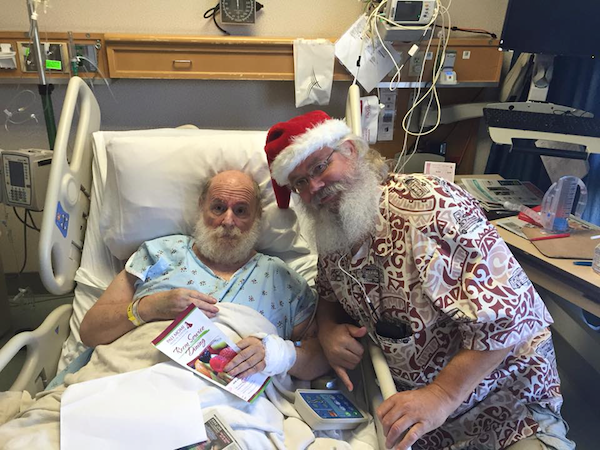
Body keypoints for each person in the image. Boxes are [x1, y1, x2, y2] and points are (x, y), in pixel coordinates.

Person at [264, 111, 575, 450]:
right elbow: (329, 293)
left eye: (320, 166)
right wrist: (327, 330)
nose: (314, 187)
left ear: (351, 150)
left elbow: (512, 317)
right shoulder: (335, 232)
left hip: (508, 407)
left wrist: (441, 395)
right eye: (299, 183)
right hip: (426, 426)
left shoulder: (431, 206)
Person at [80, 169, 328, 381]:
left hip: (226, 406)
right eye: (218, 207)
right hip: (134, 380)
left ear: (257, 218)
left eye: (241, 211)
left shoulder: (281, 279)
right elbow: (91, 330)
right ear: (201, 208)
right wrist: (149, 307)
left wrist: (276, 354)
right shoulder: (160, 253)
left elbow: (320, 357)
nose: (228, 221)